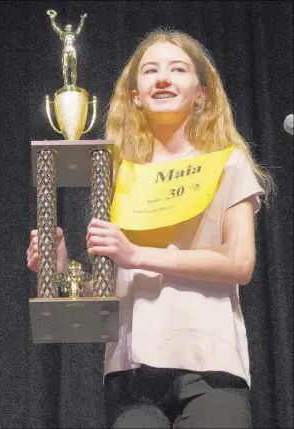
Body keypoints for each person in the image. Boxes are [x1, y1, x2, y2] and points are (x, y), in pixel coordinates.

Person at [26, 28, 273, 428]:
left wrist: (136, 254)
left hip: (210, 363)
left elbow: (240, 262)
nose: (162, 78)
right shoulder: (118, 174)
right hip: (130, 370)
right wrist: (59, 269)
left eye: (178, 69)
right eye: (150, 70)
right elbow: (113, 284)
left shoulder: (229, 163)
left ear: (202, 93)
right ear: (135, 95)